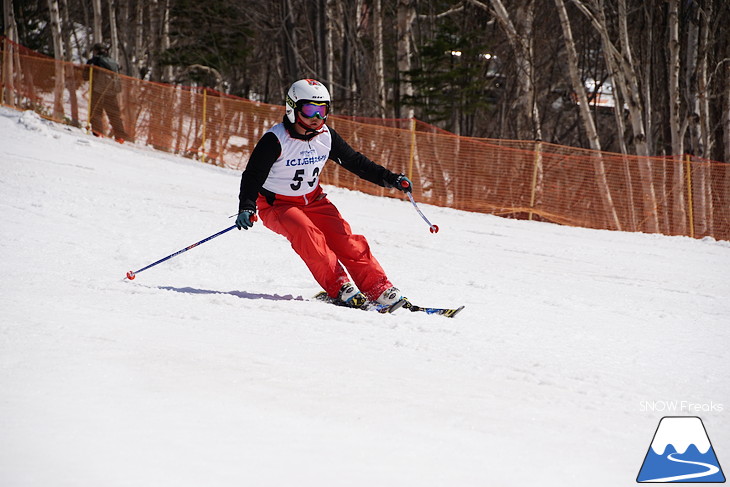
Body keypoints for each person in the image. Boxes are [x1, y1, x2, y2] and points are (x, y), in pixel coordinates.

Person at [237, 79, 412, 308]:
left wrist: (390, 178)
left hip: (314, 201)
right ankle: (339, 286)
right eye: (310, 110)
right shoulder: (275, 139)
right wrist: (247, 206)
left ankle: (380, 288)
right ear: (293, 108)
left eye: (322, 110)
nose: (317, 117)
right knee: (308, 233)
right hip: (277, 205)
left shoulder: (325, 136)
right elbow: (253, 175)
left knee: (346, 241)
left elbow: (356, 162)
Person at [83, 43, 129, 142]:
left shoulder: (94, 61)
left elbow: (85, 77)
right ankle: (120, 136)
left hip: (97, 90)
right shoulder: (113, 62)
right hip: (112, 92)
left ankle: (98, 133)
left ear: (95, 51)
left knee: (96, 112)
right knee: (114, 114)